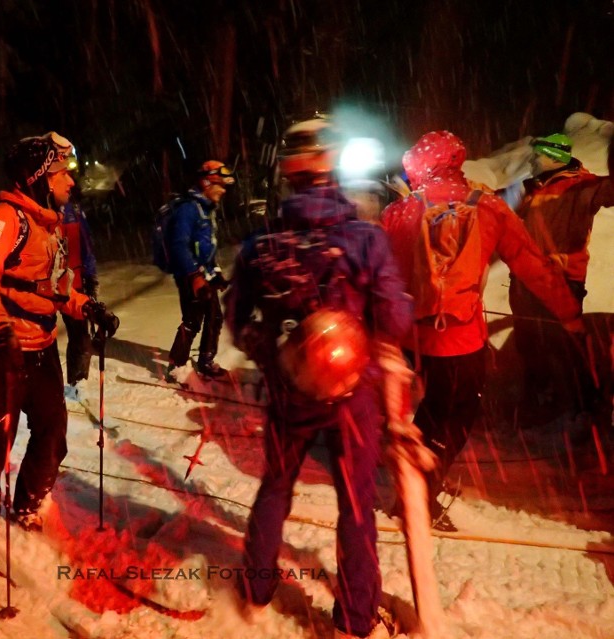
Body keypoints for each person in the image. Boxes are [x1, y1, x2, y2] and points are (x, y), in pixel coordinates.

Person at [224, 117, 414, 639]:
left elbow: (239, 321)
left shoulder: (260, 242)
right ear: (333, 167)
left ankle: (255, 590)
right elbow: (396, 321)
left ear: (288, 171)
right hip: (354, 395)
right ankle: (355, 619)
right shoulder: (364, 238)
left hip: (289, 390)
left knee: (276, 487)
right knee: (356, 505)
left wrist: (276, 353)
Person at [381, 131, 583, 530]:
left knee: (432, 409)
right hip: (460, 340)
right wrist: (570, 314)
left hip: (410, 335)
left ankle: (411, 476)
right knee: (456, 414)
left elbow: (379, 275)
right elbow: (532, 265)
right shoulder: (487, 205)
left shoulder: (401, 211)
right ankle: (417, 496)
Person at [0, 132, 119, 552]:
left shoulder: (49, 225)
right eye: (63, 173)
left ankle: (28, 500)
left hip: (42, 345)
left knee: (53, 432)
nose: (71, 181)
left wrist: (87, 307)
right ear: (38, 178)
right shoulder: (2, 220)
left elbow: (55, 284)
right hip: (1, 348)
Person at [508, 132, 614, 421]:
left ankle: (584, 406)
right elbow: (492, 206)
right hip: (525, 279)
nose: (531, 160)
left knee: (566, 344)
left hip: (563, 279)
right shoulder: (529, 188)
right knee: (529, 341)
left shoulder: (583, 186)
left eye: (538, 155)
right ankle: (538, 399)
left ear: (555, 157)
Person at [165, 160, 235, 381]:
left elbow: (205, 246)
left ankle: (205, 360)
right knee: (193, 320)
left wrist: (214, 273)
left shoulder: (205, 209)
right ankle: (176, 365)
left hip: (202, 273)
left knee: (214, 316)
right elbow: (179, 245)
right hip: (189, 274)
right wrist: (194, 276)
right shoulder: (189, 209)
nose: (223, 191)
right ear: (206, 183)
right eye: (219, 185)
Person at [60, 186, 99, 395]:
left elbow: (85, 245)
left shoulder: (72, 210)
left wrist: (90, 276)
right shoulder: (42, 211)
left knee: (80, 335)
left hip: (72, 285)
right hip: (46, 286)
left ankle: (77, 382)